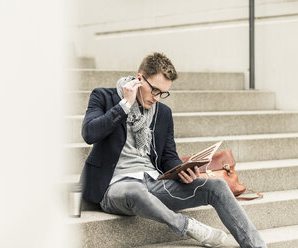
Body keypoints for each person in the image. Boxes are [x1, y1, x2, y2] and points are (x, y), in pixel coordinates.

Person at [80, 52, 266, 248]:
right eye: (154, 90)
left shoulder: (163, 113)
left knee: (217, 186)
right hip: (116, 187)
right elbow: (89, 133)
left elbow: (168, 156)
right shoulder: (103, 96)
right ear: (139, 79)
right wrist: (125, 105)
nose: (157, 98)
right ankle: (188, 226)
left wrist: (183, 170)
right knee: (136, 189)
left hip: (153, 181)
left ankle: (256, 245)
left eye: (163, 93)